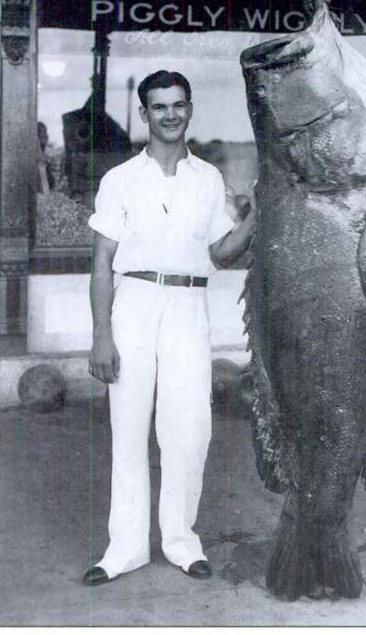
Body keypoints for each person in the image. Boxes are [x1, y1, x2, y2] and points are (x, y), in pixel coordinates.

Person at [83, 70, 256, 586]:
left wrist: (257, 217)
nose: (171, 114)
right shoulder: (119, 180)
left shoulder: (207, 179)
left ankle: (181, 541)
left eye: (179, 104)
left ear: (190, 108)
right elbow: (101, 263)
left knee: (189, 430)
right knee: (129, 429)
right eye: (159, 106)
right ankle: (126, 549)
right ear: (144, 114)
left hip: (187, 305)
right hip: (133, 302)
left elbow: (222, 254)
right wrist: (100, 335)